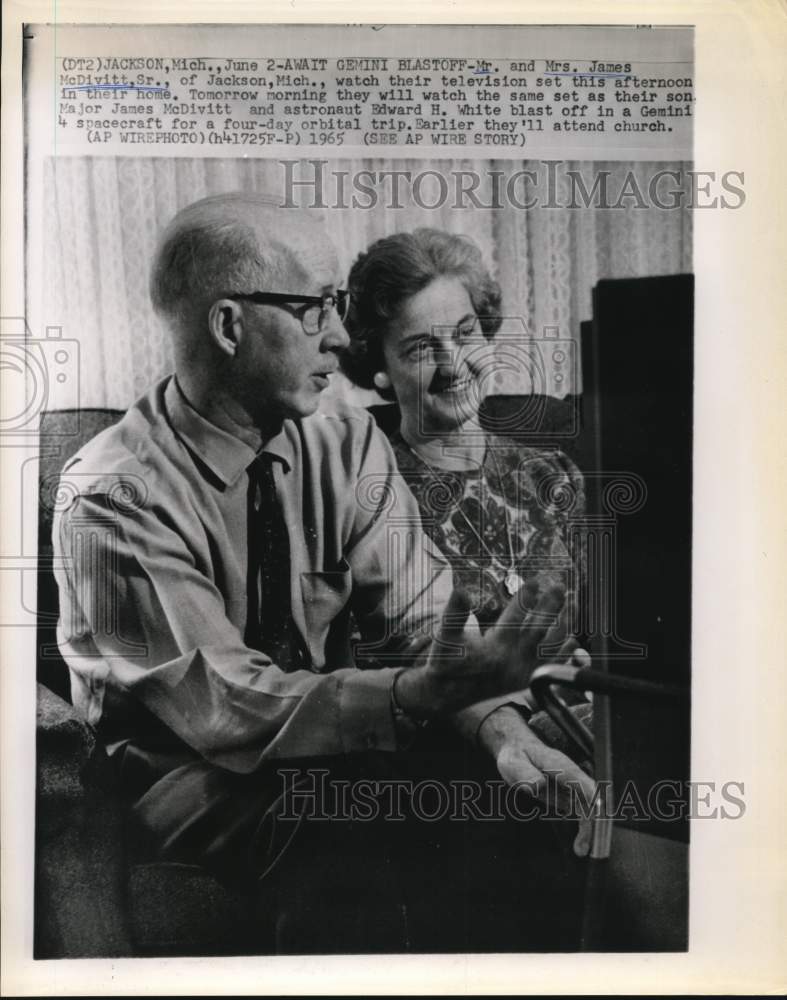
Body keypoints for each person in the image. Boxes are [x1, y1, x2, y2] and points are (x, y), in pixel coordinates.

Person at [53, 194, 593, 954]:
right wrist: (413, 695)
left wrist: (499, 728)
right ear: (229, 326)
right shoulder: (113, 493)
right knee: (346, 825)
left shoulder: (344, 445)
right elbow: (224, 707)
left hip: (334, 746)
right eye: (314, 308)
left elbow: (419, 624)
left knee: (505, 796)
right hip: (176, 774)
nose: (339, 337)